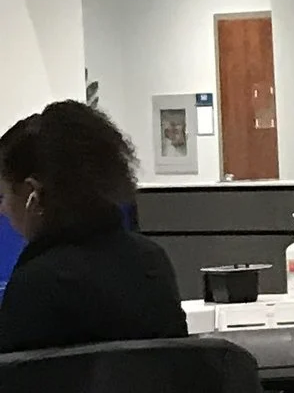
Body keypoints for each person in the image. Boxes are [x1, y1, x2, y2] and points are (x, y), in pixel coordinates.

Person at [0, 101, 187, 352]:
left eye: (3, 196)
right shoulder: (152, 264)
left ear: (32, 194)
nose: (3, 209)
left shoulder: (34, 285)